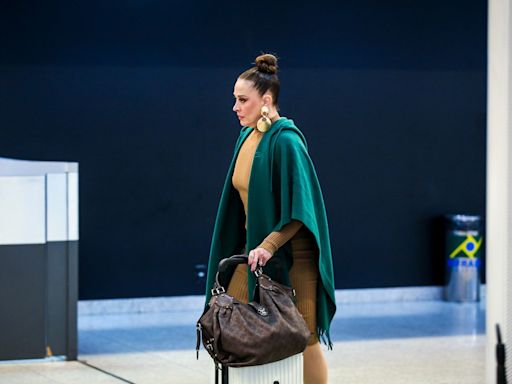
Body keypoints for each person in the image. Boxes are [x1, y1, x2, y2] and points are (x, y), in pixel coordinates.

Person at [204, 53, 336, 384]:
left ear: (266, 100)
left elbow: (301, 210)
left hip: (293, 259)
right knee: (227, 318)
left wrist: (269, 244)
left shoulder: (287, 141)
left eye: (242, 99)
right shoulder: (246, 137)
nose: (235, 107)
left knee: (303, 339)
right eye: (234, 99)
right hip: (254, 254)